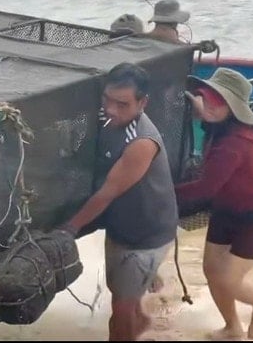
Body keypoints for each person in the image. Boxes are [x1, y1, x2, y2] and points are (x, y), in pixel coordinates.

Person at [61, 62, 178, 341]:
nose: (111, 109)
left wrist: (67, 229)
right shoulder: (106, 118)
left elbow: (107, 193)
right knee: (123, 293)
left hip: (147, 234)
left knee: (120, 310)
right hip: (122, 226)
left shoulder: (141, 142)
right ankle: (142, 321)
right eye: (107, 100)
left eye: (122, 104)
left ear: (143, 103)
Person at [177, 67, 253, 340]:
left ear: (232, 108)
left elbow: (205, 188)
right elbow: (206, 109)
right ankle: (232, 327)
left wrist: (161, 194)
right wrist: (199, 103)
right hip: (226, 210)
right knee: (211, 270)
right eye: (206, 97)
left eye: (218, 101)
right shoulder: (218, 123)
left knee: (226, 279)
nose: (208, 105)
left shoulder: (235, 143)